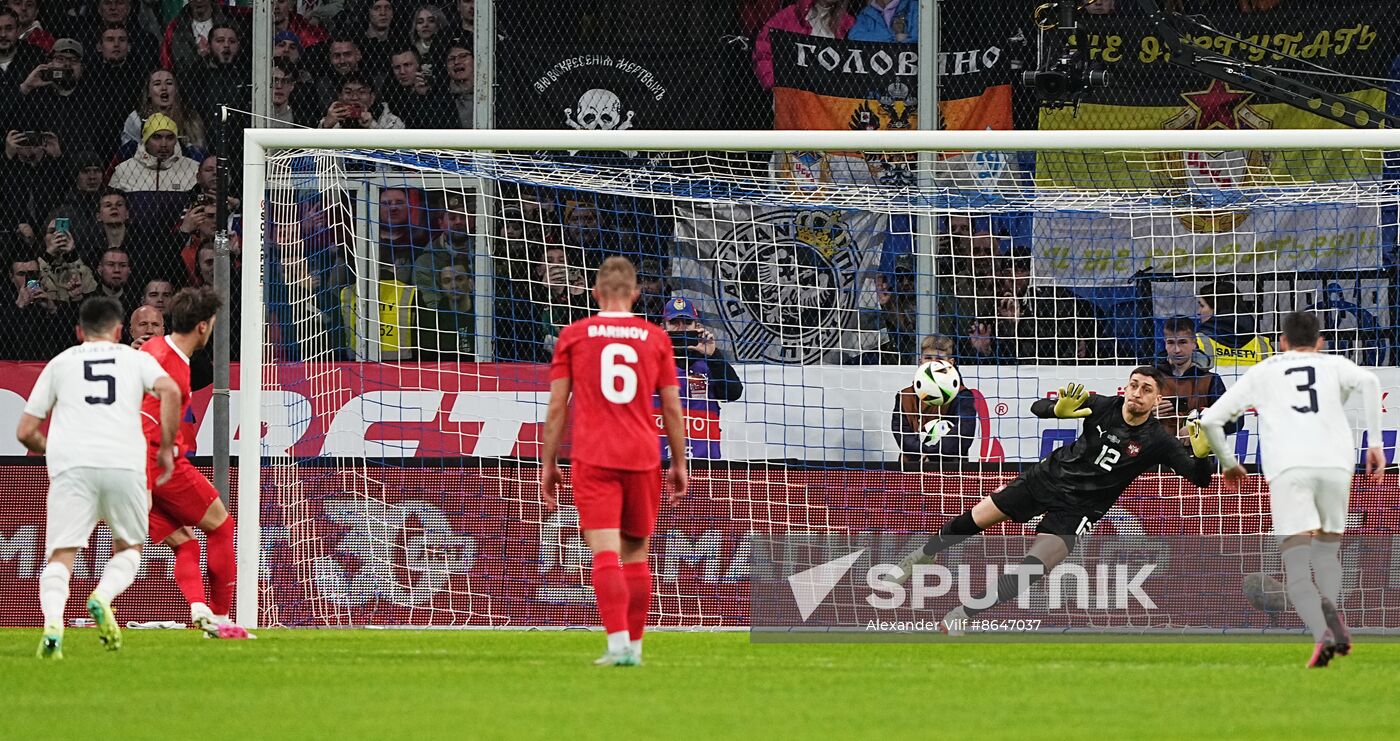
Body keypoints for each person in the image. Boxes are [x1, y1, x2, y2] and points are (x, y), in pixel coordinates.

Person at [892, 367, 1215, 631]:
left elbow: (1199, 479)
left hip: (1080, 509)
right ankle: (924, 553)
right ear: (1125, 388)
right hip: (1045, 479)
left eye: (1146, 389)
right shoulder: (1103, 405)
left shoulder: (1160, 440)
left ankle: (964, 613)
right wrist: (1056, 410)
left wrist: (1203, 455)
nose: (1137, 393)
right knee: (974, 520)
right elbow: (1036, 407)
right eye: (1133, 385)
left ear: (1159, 398)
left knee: (1032, 570)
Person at [1199, 310, 1384, 668]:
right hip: (1335, 465)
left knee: (1296, 561)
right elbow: (1372, 383)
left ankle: (1322, 633)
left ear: (1281, 342)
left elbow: (1210, 419)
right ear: (1320, 342)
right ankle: (1332, 614)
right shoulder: (1334, 364)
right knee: (1327, 552)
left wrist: (1227, 462)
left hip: (1289, 469)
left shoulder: (1265, 371)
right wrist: (1374, 443)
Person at [541, 256, 688, 666]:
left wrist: (548, 465)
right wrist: (679, 463)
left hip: (593, 455)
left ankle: (618, 644)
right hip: (642, 455)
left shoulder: (574, 335)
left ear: (595, 293)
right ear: (636, 294)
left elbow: (557, 408)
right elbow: (672, 408)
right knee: (637, 553)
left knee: (604, 553)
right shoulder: (655, 337)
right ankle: (635, 650)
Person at [19, 296, 181, 658]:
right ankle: (103, 596)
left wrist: (56, 447)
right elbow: (170, 390)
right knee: (130, 547)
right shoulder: (135, 359)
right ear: (121, 331)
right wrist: (167, 448)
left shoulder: (60, 363)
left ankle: (54, 625)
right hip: (125, 462)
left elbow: (26, 431)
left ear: (79, 332)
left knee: (61, 555)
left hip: (73, 467)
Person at [139, 286, 251, 638]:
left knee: (185, 543)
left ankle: (199, 610)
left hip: (130, 467)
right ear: (203, 326)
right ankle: (220, 620)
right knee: (221, 526)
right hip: (159, 462)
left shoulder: (151, 349)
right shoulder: (171, 363)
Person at [662, 296, 743, 460]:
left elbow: (733, 393)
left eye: (686, 322)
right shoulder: (652, 362)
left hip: (704, 461)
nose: (680, 328)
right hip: (660, 460)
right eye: (674, 322)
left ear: (697, 326)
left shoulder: (708, 362)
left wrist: (714, 354)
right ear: (662, 327)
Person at [891, 335, 976, 467]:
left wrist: (932, 454)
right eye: (928, 358)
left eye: (940, 359)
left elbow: (963, 434)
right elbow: (901, 433)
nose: (933, 363)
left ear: (951, 363)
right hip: (911, 466)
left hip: (951, 468)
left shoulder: (962, 395)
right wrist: (921, 452)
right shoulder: (905, 396)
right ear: (920, 361)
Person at [1154, 316, 1233, 439]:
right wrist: (1145, 412)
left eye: (1183, 342)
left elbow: (1234, 422)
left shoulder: (1211, 380)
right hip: (1158, 454)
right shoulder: (1151, 377)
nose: (1177, 350)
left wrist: (1197, 425)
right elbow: (1125, 417)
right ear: (1164, 344)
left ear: (1194, 344)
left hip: (1197, 456)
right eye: (1170, 343)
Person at [109, 113, 200, 193]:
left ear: (176, 141)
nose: (163, 144)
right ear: (146, 141)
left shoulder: (194, 170)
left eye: (170, 138)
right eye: (157, 137)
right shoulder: (124, 171)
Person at [1196, 280, 1273, 366]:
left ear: (1217, 309)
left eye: (1202, 306)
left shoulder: (1197, 342)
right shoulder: (1263, 346)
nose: (1199, 311)